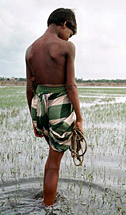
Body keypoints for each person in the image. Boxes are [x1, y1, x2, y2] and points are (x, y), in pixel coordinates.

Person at [25, 8, 83, 206]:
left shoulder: (30, 49)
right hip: (59, 103)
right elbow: (70, 85)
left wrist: (34, 121)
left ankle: (46, 201)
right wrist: (80, 119)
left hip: (38, 105)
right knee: (54, 163)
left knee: (52, 157)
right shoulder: (67, 48)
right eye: (71, 33)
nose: (69, 38)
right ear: (65, 24)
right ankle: (48, 208)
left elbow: (29, 89)